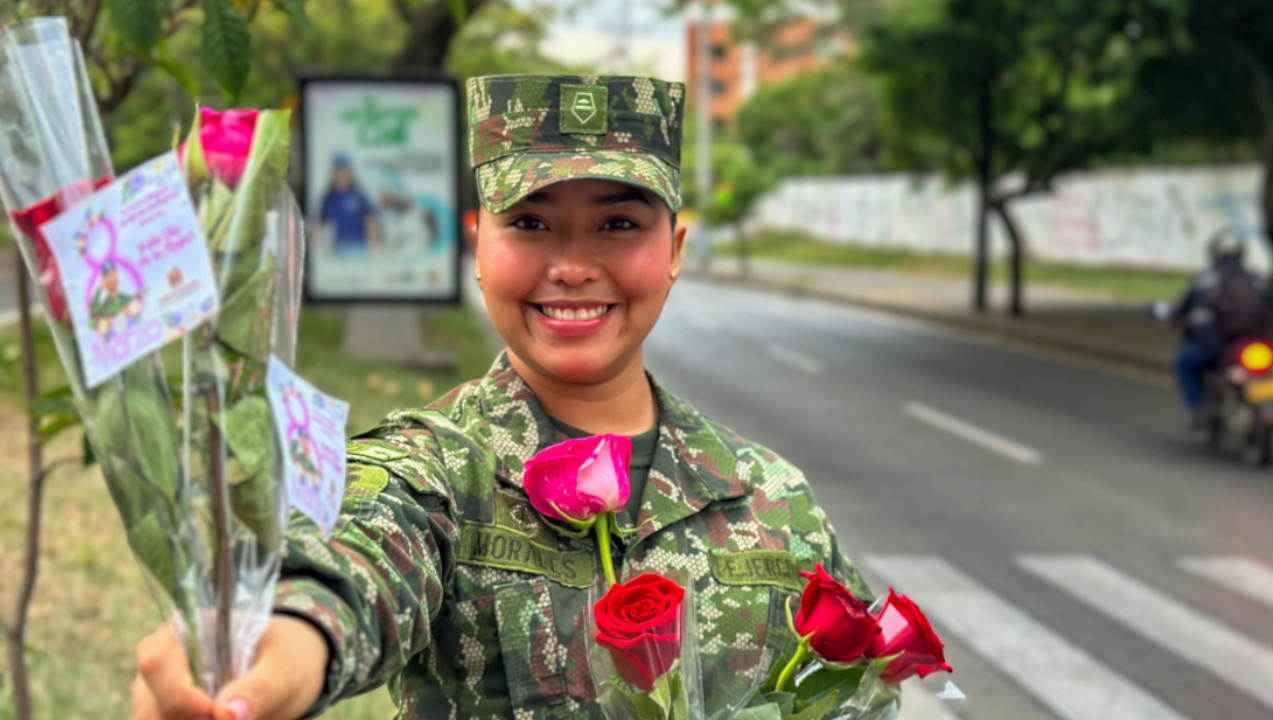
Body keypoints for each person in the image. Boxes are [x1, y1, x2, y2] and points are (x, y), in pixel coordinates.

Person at [130, 75, 875, 720]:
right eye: (530, 223)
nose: (575, 266)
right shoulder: (435, 470)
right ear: (476, 245)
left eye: (619, 224)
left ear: (674, 251)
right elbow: (355, 557)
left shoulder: (775, 501)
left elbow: (855, 691)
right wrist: (281, 645)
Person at [1172, 230, 1273, 426]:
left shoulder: (1207, 279)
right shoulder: (1256, 279)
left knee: (1184, 362)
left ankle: (1199, 408)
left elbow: (1186, 309)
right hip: (1258, 346)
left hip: (1219, 348)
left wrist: (1173, 319)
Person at [319, 153, 380, 258]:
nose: (341, 175)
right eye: (338, 171)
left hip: (360, 249)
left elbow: (371, 222)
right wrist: (320, 250)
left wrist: (373, 250)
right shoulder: (329, 198)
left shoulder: (359, 196)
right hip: (339, 249)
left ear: (349, 173)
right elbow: (321, 225)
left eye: (344, 171)